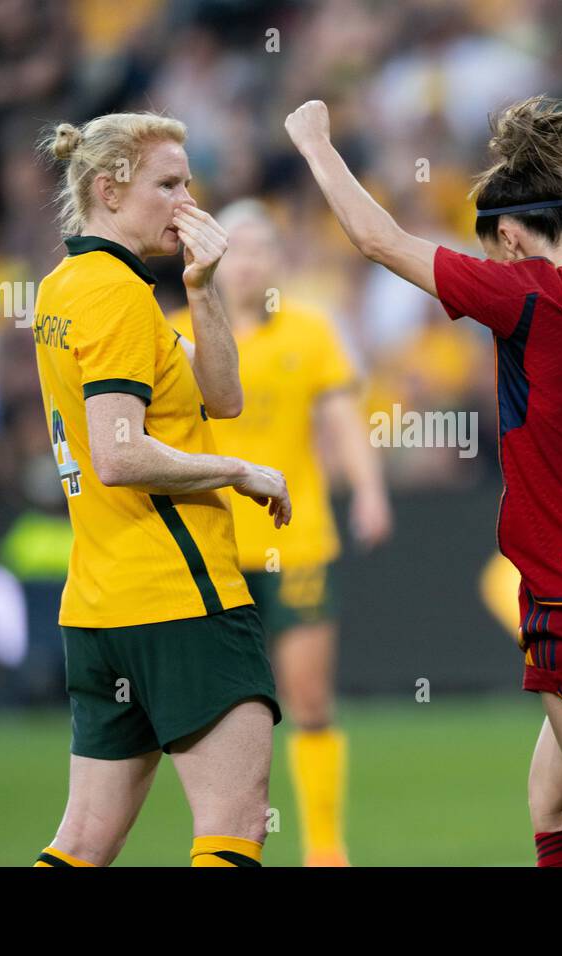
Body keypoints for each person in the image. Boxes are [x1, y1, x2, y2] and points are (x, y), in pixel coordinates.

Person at [285, 94, 562, 867]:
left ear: (510, 234)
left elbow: (377, 239)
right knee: (555, 804)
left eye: (497, 245)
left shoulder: (529, 296)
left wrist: (314, 145)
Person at [30, 111, 292, 868]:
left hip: (99, 606)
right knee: (235, 827)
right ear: (110, 190)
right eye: (169, 185)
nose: (189, 201)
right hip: (179, 596)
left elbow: (222, 395)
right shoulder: (114, 295)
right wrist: (239, 471)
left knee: (83, 841)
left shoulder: (71, 286)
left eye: (190, 182)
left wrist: (202, 287)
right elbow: (119, 453)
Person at [166, 199, 392, 866]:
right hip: (210, 547)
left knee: (310, 699)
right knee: (220, 712)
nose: (251, 261)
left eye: (264, 247)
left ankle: (325, 848)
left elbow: (345, 417)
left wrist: (371, 494)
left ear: (278, 261)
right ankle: (224, 838)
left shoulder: (311, 331)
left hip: (296, 541)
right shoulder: (179, 333)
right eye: (238, 248)